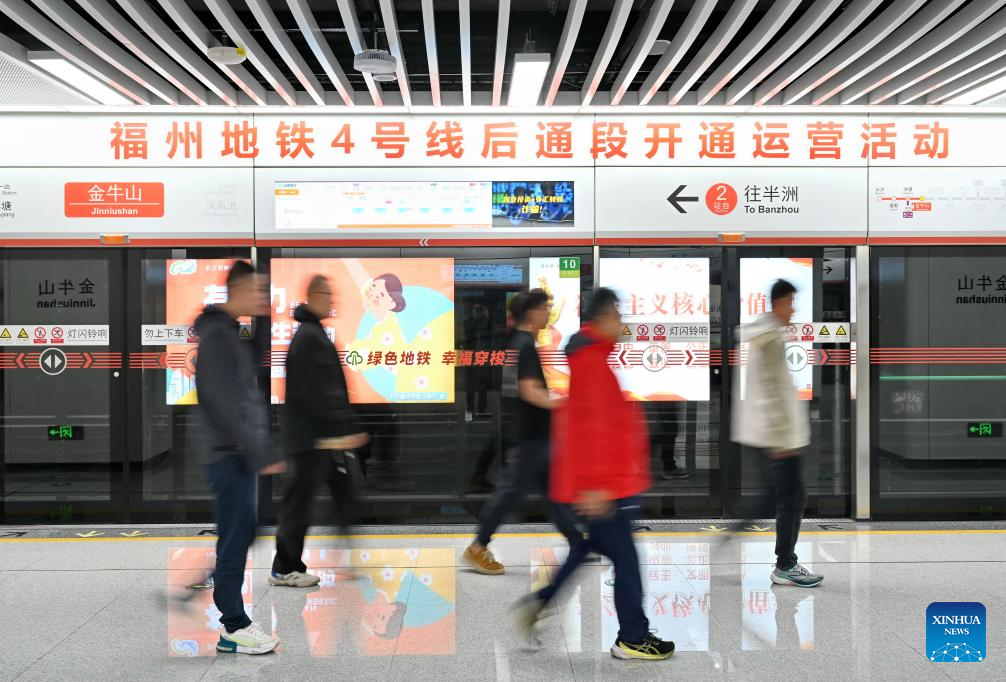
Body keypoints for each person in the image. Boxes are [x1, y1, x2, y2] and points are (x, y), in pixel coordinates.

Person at [511, 287, 675, 661]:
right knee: (626, 560)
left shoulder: (593, 358)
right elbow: (591, 431)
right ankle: (633, 637)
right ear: (603, 319)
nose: (622, 323)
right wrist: (596, 486)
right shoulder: (591, 363)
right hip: (605, 488)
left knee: (590, 547)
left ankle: (540, 602)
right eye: (617, 316)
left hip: (606, 484)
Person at [194, 260, 284, 655]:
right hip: (228, 455)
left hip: (239, 454)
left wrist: (264, 318)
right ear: (238, 290)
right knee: (234, 540)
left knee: (244, 533)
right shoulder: (217, 335)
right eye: (257, 290)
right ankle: (233, 626)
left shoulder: (231, 331)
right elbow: (221, 402)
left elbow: (253, 369)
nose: (261, 297)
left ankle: (227, 607)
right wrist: (257, 451)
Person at [462, 290, 584, 575]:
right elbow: (528, 390)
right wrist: (562, 403)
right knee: (510, 494)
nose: (548, 313)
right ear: (532, 312)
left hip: (530, 434)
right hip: (530, 438)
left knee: (552, 494)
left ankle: (578, 542)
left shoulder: (516, 343)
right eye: (545, 308)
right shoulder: (525, 344)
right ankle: (478, 546)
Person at [271, 274, 369, 588]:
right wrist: (342, 428)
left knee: (342, 495)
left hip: (321, 437)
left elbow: (329, 390)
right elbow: (320, 393)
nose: (332, 300)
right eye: (327, 295)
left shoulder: (313, 334)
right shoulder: (309, 337)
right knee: (299, 504)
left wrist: (342, 428)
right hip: (311, 439)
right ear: (313, 296)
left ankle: (343, 560)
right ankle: (285, 567)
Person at [731, 279, 822, 588]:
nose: (793, 310)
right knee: (791, 498)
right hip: (779, 439)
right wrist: (783, 439)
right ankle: (785, 564)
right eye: (790, 303)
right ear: (778, 304)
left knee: (786, 496)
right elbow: (773, 392)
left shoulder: (766, 334)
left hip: (774, 436)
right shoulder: (769, 339)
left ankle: (783, 559)